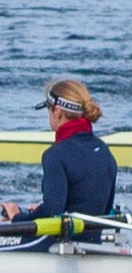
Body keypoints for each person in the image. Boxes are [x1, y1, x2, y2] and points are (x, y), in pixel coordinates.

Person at [1, 79, 116, 244]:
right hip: (93, 244)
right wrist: (37, 211)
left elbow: (52, 212)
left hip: (60, 248)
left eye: (48, 109)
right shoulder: (104, 150)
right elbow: (105, 209)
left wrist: (17, 217)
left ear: (57, 111)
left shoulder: (55, 154)